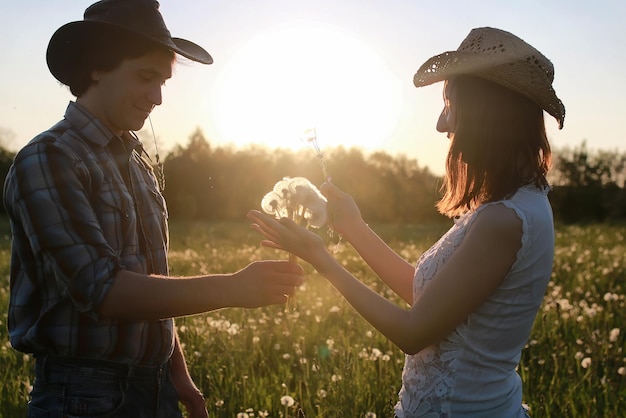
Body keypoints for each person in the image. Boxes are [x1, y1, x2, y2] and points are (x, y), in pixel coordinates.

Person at [3, 1, 303, 417]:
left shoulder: (138, 161)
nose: (158, 98)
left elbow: (147, 279)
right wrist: (233, 287)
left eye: (163, 81)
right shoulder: (49, 158)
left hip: (156, 386)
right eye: (145, 77)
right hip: (82, 395)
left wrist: (177, 374)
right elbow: (101, 289)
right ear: (95, 68)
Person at [248, 27, 565, 418]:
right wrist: (354, 227)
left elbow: (413, 332)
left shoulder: (505, 219)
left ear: (486, 113)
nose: (440, 124)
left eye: (450, 104)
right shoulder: (508, 207)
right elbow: (426, 297)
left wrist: (323, 260)